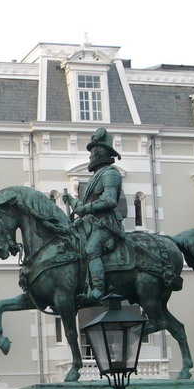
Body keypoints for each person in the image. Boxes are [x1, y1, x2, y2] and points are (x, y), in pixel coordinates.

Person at [63, 127, 125, 305]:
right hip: (89, 223)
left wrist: (86, 208)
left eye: (92, 154)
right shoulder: (95, 176)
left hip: (105, 225)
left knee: (91, 250)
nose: (90, 158)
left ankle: (98, 288)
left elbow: (110, 200)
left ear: (99, 154)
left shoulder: (110, 174)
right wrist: (72, 202)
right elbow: (84, 207)